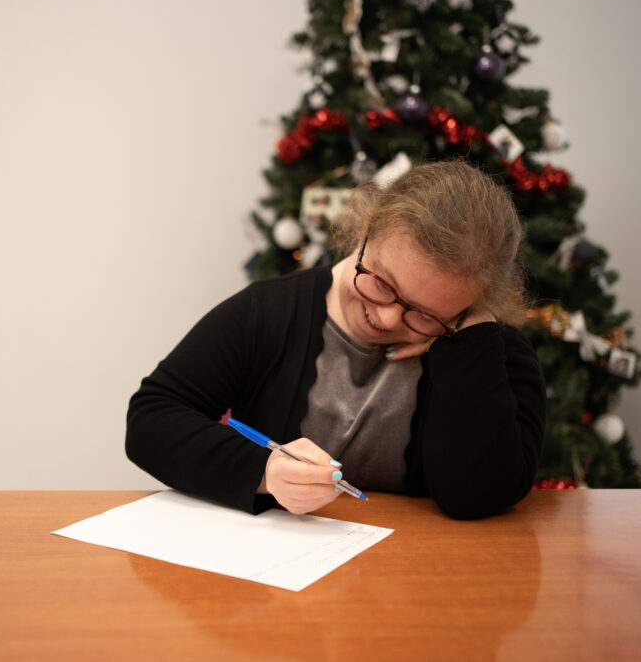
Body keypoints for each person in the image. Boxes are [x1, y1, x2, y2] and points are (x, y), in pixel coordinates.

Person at [126, 160, 546, 520]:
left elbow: (480, 496)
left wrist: (470, 343)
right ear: (365, 230)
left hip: (417, 572)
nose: (386, 317)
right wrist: (264, 471)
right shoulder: (270, 312)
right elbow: (151, 420)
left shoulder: (493, 353)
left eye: (424, 313)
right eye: (382, 283)